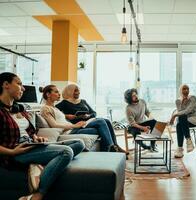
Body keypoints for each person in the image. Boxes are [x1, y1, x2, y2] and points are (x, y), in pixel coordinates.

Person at [0, 72, 85, 200]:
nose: (23, 88)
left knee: (79, 144)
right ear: (6, 85)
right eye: (19, 84)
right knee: (66, 152)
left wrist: (36, 138)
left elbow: (28, 132)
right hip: (16, 154)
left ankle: (44, 164)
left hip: (31, 145)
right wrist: (12, 152)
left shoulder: (19, 108)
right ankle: (38, 193)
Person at [40, 85, 118, 152]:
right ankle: (110, 148)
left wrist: (74, 122)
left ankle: (109, 148)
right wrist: (75, 125)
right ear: (48, 94)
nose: (59, 94)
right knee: (101, 123)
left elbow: (61, 119)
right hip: (70, 131)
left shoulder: (54, 108)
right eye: (56, 92)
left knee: (101, 127)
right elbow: (54, 125)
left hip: (73, 128)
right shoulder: (46, 108)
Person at [170, 84, 196, 158]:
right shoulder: (178, 101)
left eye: (187, 89)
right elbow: (181, 112)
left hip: (195, 118)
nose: (186, 90)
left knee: (181, 119)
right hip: (185, 121)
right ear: (180, 91)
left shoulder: (193, 98)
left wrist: (174, 116)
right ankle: (187, 142)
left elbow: (188, 111)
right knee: (180, 122)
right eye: (184, 89)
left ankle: (181, 147)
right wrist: (183, 103)